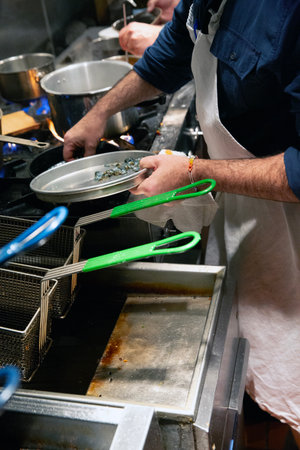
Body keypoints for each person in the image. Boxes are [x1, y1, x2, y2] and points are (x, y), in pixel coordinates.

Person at [63, 0, 300, 444]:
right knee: (263, 356)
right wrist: (96, 115)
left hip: (294, 226)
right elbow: (170, 53)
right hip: (251, 213)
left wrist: (196, 171)